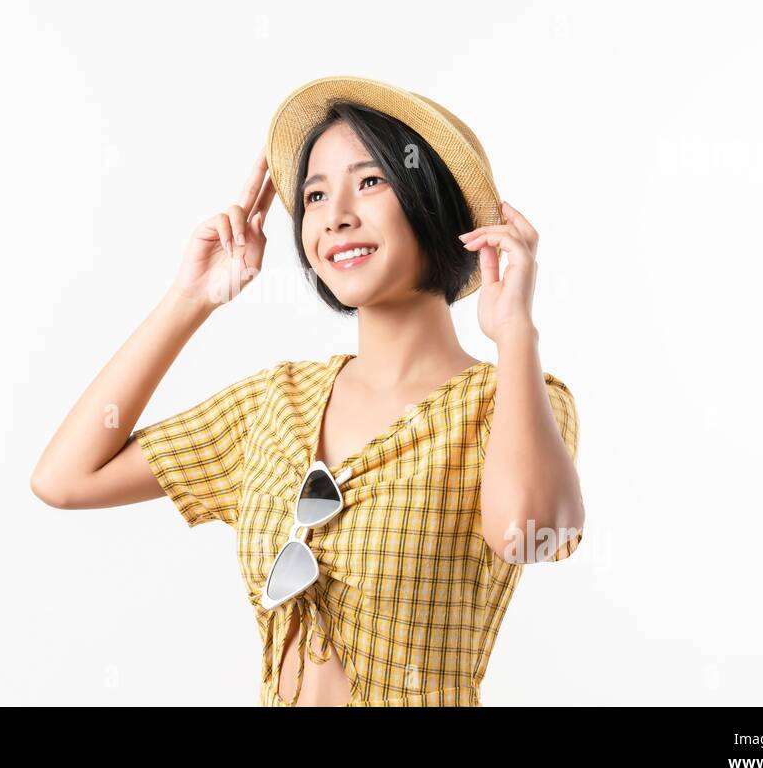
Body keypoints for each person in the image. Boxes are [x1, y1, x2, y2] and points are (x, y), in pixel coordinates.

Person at [31, 77, 585, 707]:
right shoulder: (278, 401)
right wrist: (190, 300)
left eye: (370, 181)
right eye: (315, 195)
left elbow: (532, 532)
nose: (335, 216)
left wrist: (515, 333)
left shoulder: (510, 401)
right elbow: (65, 479)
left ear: (435, 203)